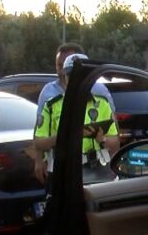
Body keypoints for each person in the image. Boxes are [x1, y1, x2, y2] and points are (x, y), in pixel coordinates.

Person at [34, 53, 119, 185]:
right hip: (62, 171)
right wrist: (63, 136)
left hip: (97, 170)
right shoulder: (51, 106)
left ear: (91, 79)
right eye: (71, 76)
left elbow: (115, 144)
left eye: (82, 77)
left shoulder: (102, 104)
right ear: (65, 79)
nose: (77, 81)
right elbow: (39, 142)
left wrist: (102, 139)